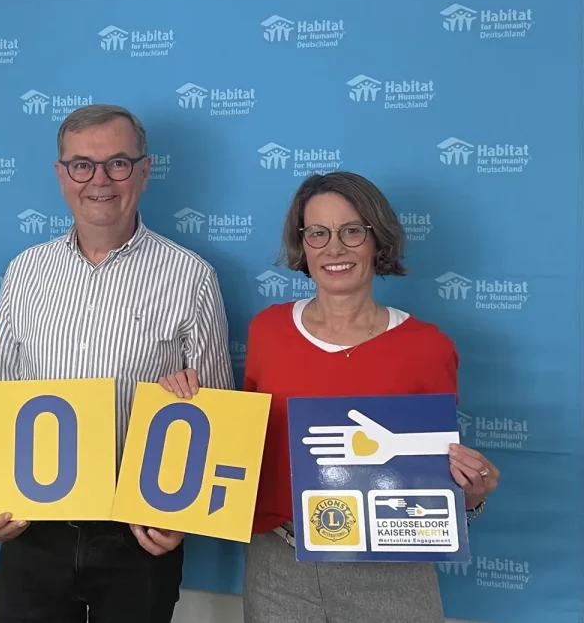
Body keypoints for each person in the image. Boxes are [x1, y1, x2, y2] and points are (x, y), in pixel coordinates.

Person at [162, 170, 500, 623]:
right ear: (302, 244)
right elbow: (240, 448)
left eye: (351, 231)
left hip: (392, 573)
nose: (334, 248)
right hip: (280, 563)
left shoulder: (428, 346)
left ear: (377, 240)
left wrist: (473, 497)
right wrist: (186, 402)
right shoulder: (269, 331)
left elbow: (435, 478)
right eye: (317, 233)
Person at [0, 103, 236, 623]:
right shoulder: (24, 273)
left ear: (144, 170)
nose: (99, 180)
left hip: (138, 535)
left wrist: (180, 516)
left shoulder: (192, 277)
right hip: (34, 528)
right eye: (81, 165)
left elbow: (216, 416)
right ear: (60, 174)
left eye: (118, 163)